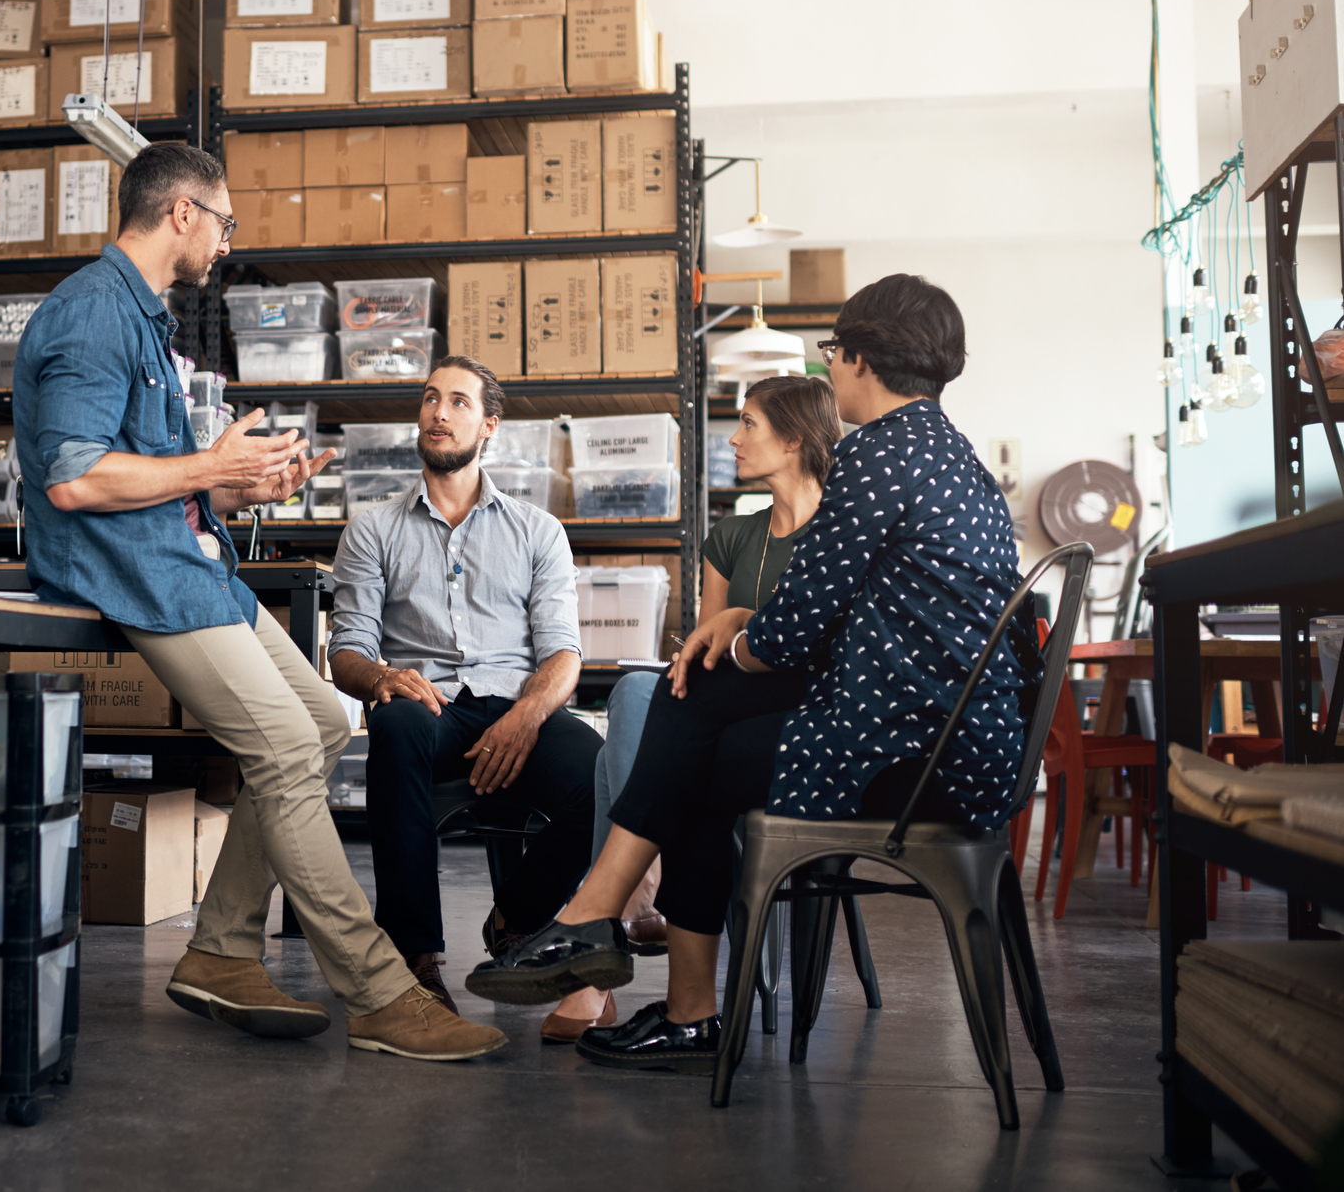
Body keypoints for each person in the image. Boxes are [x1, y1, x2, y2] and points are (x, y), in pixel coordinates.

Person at [12, 143, 506, 1062]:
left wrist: (239, 488)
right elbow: (74, 480)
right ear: (183, 214)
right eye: (226, 223)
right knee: (281, 743)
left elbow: (148, 476)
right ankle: (379, 991)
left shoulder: (142, 317)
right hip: (133, 573)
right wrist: (209, 466)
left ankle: (221, 952)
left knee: (319, 721)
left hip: (183, 561)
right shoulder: (90, 313)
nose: (227, 245)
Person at [466, 273, 1032, 1074]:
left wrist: (732, 635)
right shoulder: (953, 457)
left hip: (912, 756)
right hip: (954, 741)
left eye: (834, 353)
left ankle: (619, 939)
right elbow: (830, 623)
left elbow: (790, 633)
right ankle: (613, 933)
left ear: (861, 359)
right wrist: (738, 631)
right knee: (693, 710)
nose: (831, 372)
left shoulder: (875, 455)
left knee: (693, 728)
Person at [556, 373, 843, 1036]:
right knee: (644, 689)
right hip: (725, 710)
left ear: (794, 438)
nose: (733, 440)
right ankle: (629, 893)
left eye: (747, 424)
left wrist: (747, 628)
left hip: (788, 727)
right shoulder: (732, 536)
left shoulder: (841, 535)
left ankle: (608, 913)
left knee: (649, 715)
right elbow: (702, 660)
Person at [328, 355, 602, 1039]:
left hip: (519, 704)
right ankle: (413, 960)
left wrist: (526, 717)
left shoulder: (537, 530)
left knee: (599, 774)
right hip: (429, 708)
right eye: (428, 399)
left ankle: (515, 915)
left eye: (456, 401)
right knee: (392, 728)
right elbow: (347, 650)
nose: (437, 412)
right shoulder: (373, 527)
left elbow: (563, 653)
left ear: (489, 425)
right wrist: (380, 679)